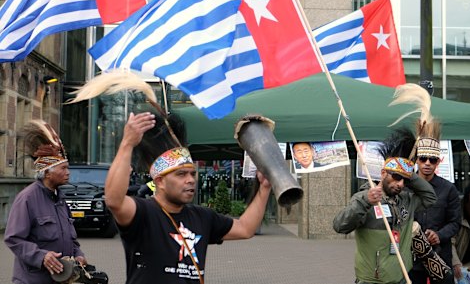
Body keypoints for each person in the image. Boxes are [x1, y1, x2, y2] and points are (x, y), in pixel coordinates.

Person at [106, 112, 272, 284]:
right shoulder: (143, 213)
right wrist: (127, 143)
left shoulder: (203, 217)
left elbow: (245, 228)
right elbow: (114, 201)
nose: (191, 180)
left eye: (193, 173)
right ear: (160, 182)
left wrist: (264, 188)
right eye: (181, 174)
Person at [333, 128, 437, 284]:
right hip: (372, 280)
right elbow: (339, 226)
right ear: (383, 173)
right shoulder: (364, 198)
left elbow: (430, 197)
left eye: (405, 181)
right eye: (396, 177)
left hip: (402, 277)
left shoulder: (406, 200)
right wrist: (365, 202)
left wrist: (408, 171)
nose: (400, 184)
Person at [4, 120, 88, 284]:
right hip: (32, 280)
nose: (68, 173)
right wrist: (42, 257)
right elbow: (13, 239)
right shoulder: (27, 198)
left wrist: (79, 254)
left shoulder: (61, 199)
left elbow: (71, 239)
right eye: (63, 168)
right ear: (47, 173)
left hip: (61, 280)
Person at [410, 120, 461, 284]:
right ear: (417, 160)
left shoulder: (449, 189)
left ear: (438, 161)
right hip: (411, 258)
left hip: (440, 256)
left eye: (432, 159)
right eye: (423, 158)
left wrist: (439, 235)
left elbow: (455, 222)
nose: (427, 163)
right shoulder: (405, 188)